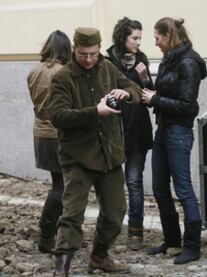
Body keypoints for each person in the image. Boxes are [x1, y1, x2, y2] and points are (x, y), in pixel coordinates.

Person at [48, 27, 142, 276]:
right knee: (72, 214)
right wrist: (95, 111)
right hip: (77, 157)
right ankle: (62, 268)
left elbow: (134, 88)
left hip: (109, 154)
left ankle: (99, 257)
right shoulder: (63, 77)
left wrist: (127, 92)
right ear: (74, 50)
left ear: (99, 48)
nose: (88, 59)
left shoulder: (108, 68)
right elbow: (58, 116)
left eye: (92, 53)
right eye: (82, 54)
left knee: (115, 212)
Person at [142, 17, 207, 264]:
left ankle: (192, 246)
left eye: (157, 38)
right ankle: (171, 241)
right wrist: (147, 84)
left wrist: (155, 100)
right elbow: (165, 92)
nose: (155, 43)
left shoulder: (188, 62)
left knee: (183, 189)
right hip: (164, 130)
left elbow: (187, 105)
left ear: (169, 36)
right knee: (159, 187)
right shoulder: (170, 59)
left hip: (179, 132)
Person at [106, 17, 154, 250]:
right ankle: (110, 230)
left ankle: (136, 233)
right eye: (134, 38)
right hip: (113, 131)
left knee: (134, 181)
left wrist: (145, 78)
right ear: (122, 38)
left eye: (139, 39)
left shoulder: (142, 60)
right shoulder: (106, 61)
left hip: (137, 130)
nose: (138, 43)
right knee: (112, 184)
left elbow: (150, 97)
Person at [27, 30, 71, 253]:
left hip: (41, 133)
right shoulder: (64, 72)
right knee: (62, 186)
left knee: (59, 183)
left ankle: (53, 233)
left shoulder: (35, 71)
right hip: (57, 134)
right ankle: (47, 234)